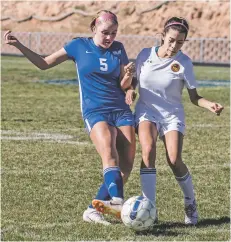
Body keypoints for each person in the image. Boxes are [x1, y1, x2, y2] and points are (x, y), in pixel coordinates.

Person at [4, 10, 136, 225]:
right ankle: (118, 202)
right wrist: (19, 45)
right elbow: (44, 63)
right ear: (94, 28)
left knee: (126, 166)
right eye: (105, 33)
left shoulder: (118, 48)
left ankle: (92, 210)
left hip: (121, 110)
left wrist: (129, 79)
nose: (110, 38)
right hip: (95, 110)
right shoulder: (78, 46)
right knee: (109, 154)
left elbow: (124, 84)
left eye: (114, 33)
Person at [125, 16, 224, 225]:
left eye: (180, 42)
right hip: (147, 111)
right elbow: (133, 82)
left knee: (173, 159)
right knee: (148, 150)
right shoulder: (145, 55)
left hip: (171, 115)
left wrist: (210, 105)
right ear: (162, 36)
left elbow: (195, 97)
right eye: (171, 40)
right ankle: (149, 207)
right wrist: (131, 91)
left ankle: (190, 201)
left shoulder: (184, 63)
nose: (174, 45)